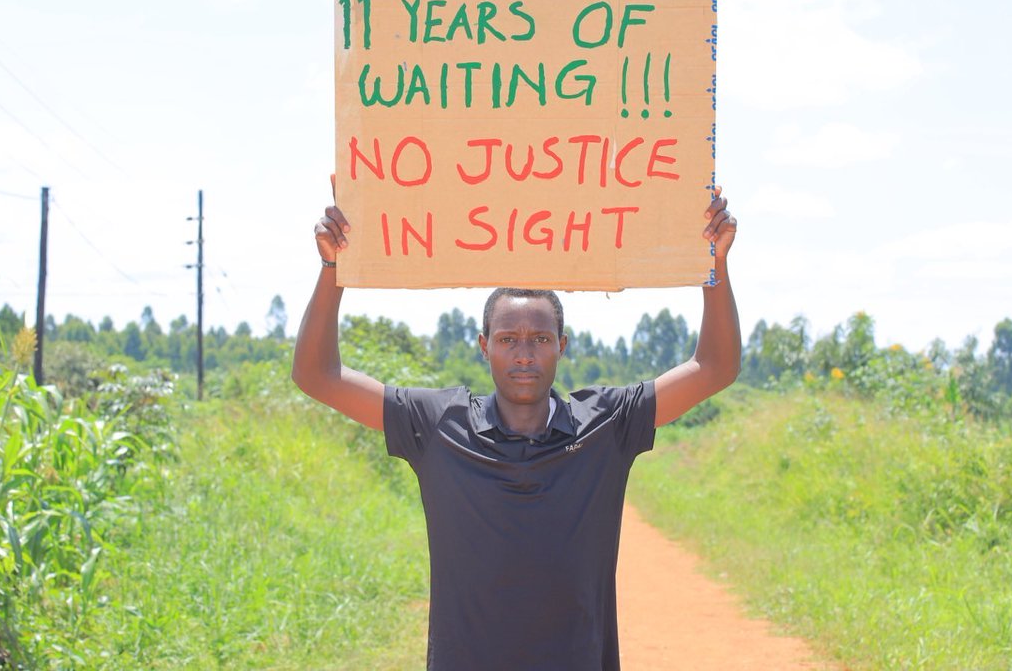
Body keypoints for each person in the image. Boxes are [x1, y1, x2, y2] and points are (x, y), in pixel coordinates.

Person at [291, 184, 740, 671]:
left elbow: (715, 366)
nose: (524, 353)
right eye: (508, 339)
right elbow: (317, 375)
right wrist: (332, 268)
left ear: (562, 345)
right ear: (484, 346)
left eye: (540, 338)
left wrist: (714, 264)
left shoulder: (607, 424)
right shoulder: (438, 424)